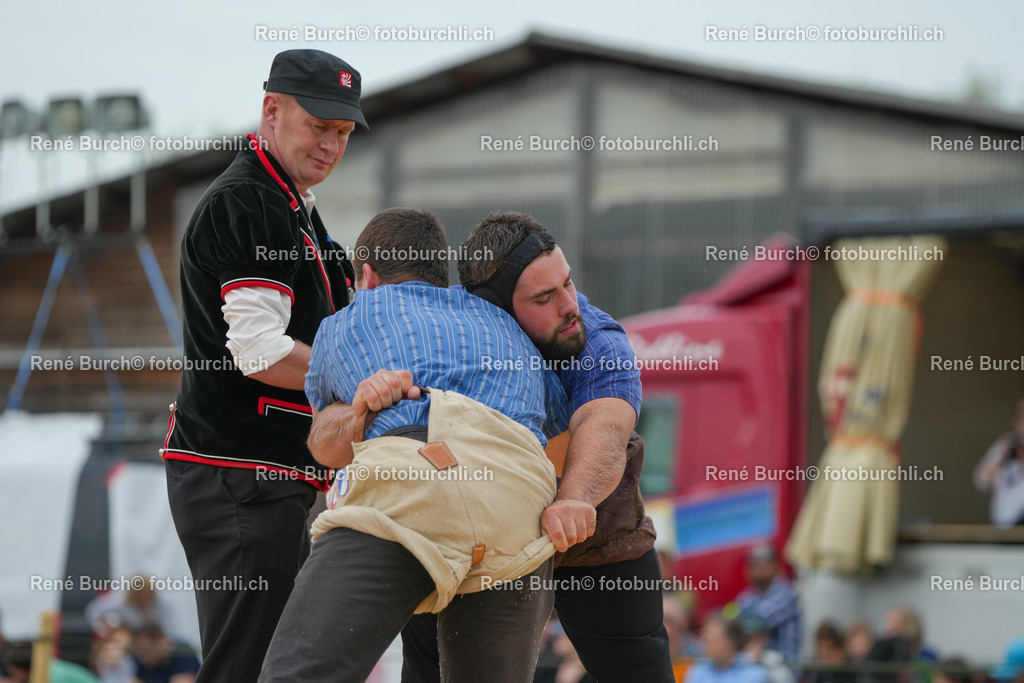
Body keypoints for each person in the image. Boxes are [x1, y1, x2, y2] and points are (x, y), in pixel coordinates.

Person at [309, 210, 672, 681]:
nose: (570, 306)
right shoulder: (445, 331)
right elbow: (328, 434)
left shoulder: (596, 336)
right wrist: (362, 410)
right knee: (429, 671)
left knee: (640, 671)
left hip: (592, 528)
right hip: (473, 525)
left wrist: (575, 499)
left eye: (567, 282)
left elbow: (604, 425)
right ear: (491, 307)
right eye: (544, 297)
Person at [258, 208, 572, 682]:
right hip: (520, 501)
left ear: (366, 277)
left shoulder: (349, 319)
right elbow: (558, 442)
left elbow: (326, 447)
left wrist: (363, 409)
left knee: (298, 675)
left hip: (414, 475)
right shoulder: (507, 323)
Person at [161, 48, 366, 682]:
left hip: (259, 475)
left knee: (272, 665)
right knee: (247, 668)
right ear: (271, 111)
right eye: (318, 125)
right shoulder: (250, 201)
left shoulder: (288, 202)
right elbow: (260, 350)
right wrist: (365, 387)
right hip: (240, 474)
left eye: (343, 132)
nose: (331, 145)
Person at [734, 545, 801, 664]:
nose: (758, 569)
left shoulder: (786, 593)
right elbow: (731, 616)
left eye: (763, 563)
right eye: (754, 564)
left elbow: (757, 623)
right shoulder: (749, 595)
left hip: (786, 666)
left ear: (775, 565)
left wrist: (734, 625)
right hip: (761, 663)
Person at [973, 400, 1024, 527]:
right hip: (1004, 522)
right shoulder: (1006, 444)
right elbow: (981, 480)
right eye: (1020, 415)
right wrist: (1004, 457)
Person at [684, 616, 766, 683]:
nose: (707, 646)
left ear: (731, 642)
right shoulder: (699, 670)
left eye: (714, 640)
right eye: (707, 640)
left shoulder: (753, 673)